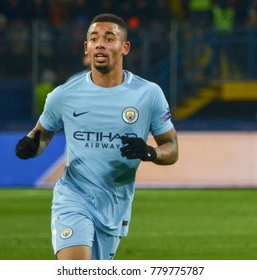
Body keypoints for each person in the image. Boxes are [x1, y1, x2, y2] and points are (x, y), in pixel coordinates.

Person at [15, 13, 179, 260]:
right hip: (73, 197)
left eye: (109, 38)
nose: (100, 43)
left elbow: (172, 147)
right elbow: (41, 135)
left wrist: (150, 152)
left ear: (125, 47)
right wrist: (30, 147)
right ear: (86, 47)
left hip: (115, 205)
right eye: (94, 38)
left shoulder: (148, 94)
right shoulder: (64, 94)